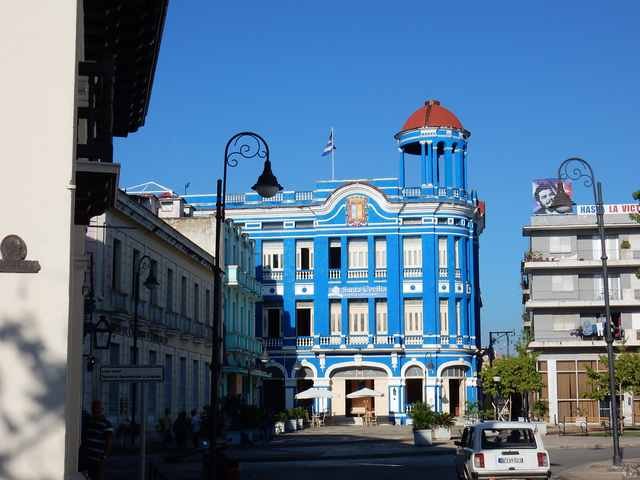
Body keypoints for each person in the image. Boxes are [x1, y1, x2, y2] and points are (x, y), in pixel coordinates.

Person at [81, 400, 113, 480]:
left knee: (97, 477)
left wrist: (104, 457)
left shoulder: (107, 424)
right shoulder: (89, 421)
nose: (94, 410)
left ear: (101, 409)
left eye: (96, 408)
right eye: (93, 408)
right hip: (87, 458)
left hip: (98, 459)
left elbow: (109, 441)